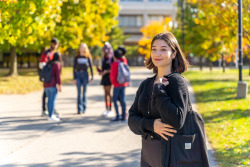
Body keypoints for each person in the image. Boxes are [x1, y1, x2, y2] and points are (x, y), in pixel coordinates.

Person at [128, 32, 209, 167]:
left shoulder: (177, 82)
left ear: (173, 54)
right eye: (154, 49)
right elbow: (132, 120)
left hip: (173, 155)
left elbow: (177, 120)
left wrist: (159, 92)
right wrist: (152, 125)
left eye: (163, 49)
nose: (157, 53)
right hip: (149, 155)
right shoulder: (146, 85)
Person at [39, 38, 59, 117]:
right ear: (52, 44)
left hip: (52, 76)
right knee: (45, 93)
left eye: (57, 45)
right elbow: (42, 64)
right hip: (47, 75)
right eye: (55, 44)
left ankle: (51, 109)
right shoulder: (46, 53)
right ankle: (44, 110)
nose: (55, 46)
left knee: (50, 94)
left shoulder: (54, 53)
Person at [73, 43, 94, 114]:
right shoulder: (77, 57)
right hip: (78, 74)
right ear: (79, 49)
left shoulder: (88, 57)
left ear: (85, 49)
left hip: (85, 75)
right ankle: (79, 109)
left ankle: (84, 107)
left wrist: (92, 77)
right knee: (79, 93)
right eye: (81, 47)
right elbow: (74, 68)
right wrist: (74, 78)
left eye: (83, 47)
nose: (82, 49)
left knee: (84, 92)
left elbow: (91, 67)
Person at [109, 48, 129, 121]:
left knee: (114, 99)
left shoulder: (115, 64)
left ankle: (117, 115)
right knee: (123, 99)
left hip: (117, 84)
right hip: (123, 84)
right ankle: (123, 115)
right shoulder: (124, 62)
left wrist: (113, 82)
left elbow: (112, 75)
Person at [44, 52, 62, 121]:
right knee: (52, 101)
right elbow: (58, 76)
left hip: (46, 85)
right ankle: (51, 116)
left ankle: (50, 115)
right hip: (52, 85)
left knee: (49, 101)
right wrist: (59, 85)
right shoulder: (56, 65)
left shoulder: (49, 63)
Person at [99, 42, 115, 117]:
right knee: (105, 94)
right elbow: (103, 68)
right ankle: (106, 109)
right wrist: (100, 71)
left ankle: (110, 109)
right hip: (104, 77)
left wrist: (106, 71)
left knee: (109, 93)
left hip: (109, 77)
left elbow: (113, 69)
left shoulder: (111, 58)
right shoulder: (103, 58)